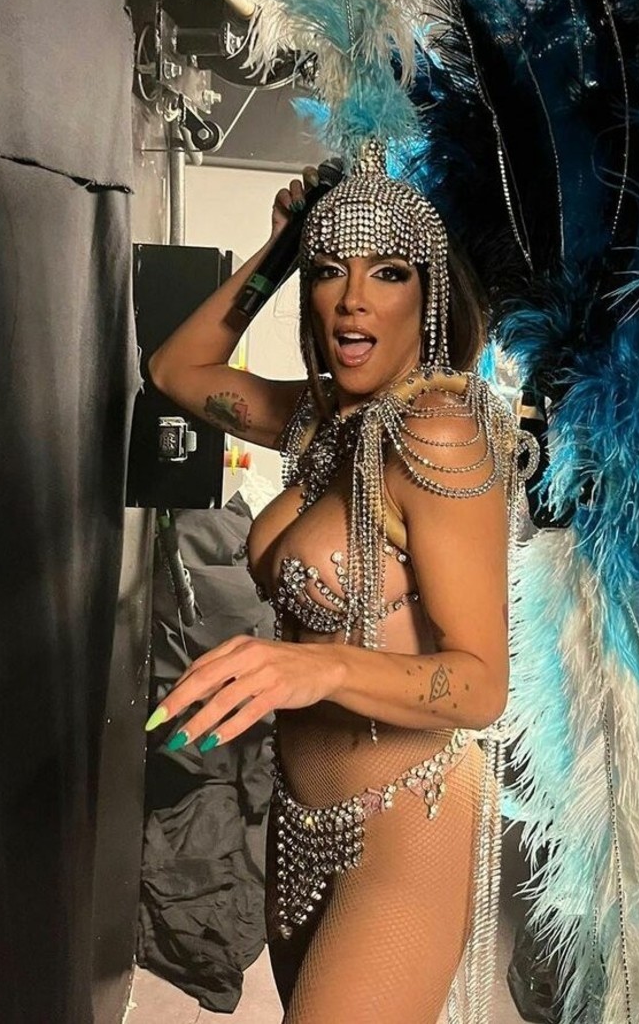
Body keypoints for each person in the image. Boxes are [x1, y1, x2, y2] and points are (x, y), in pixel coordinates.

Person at [145, 142, 531, 1024]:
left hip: (407, 820)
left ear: (429, 294)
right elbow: (174, 371)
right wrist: (281, 250)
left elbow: (481, 685)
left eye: (387, 272)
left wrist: (316, 667)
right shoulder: (321, 421)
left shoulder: (441, 431)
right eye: (330, 270)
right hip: (302, 820)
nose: (353, 297)